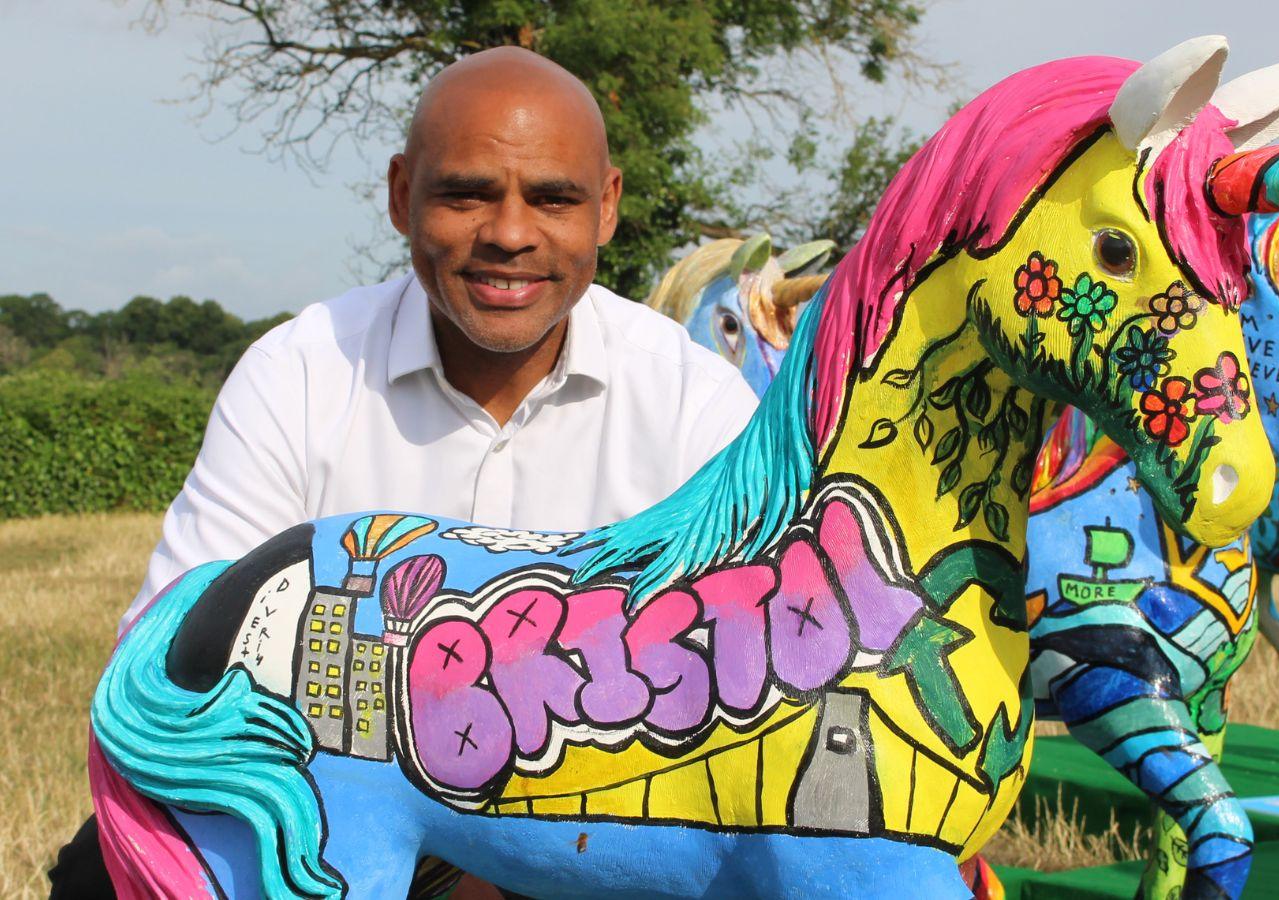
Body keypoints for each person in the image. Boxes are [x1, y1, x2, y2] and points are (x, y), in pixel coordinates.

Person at [51, 46, 758, 898]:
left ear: (605, 207)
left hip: (597, 842)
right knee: (105, 870)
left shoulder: (697, 407)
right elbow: (175, 661)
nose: (509, 232)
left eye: (553, 198)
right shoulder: (300, 373)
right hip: (328, 818)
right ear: (400, 195)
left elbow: (751, 694)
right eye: (466, 192)